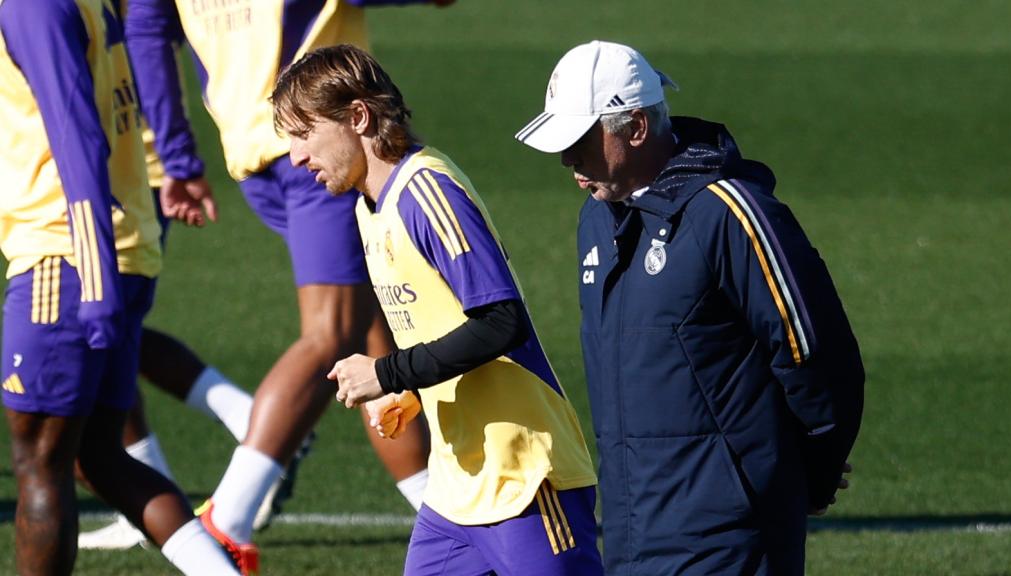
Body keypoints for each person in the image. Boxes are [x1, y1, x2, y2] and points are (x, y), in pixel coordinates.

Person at [124, 1, 452, 571]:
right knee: (335, 331)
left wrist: (178, 156)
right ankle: (228, 517)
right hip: (320, 143)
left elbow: (147, 30)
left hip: (252, 148)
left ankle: (440, 511)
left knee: (375, 334)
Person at [516, 40, 865, 575]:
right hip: (634, 532)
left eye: (582, 141)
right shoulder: (598, 218)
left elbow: (816, 352)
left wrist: (808, 475)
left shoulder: (728, 213)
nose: (568, 160)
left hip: (731, 539)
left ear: (635, 129)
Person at [272, 44, 603, 576]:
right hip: (456, 491)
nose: (293, 156)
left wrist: (385, 372)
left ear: (357, 116)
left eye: (303, 132)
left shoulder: (426, 191)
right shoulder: (367, 207)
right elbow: (439, 323)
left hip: (522, 478)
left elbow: (501, 322)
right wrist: (410, 390)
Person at [0, 0, 243, 573]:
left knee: (39, 461)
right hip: (121, 242)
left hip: (64, 253)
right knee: (99, 458)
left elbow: (75, 134)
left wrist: (95, 278)